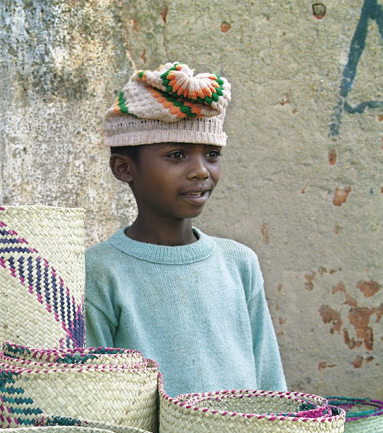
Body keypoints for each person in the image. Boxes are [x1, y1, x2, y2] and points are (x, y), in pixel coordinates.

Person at [85, 61, 286, 396]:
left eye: (212, 155)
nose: (201, 171)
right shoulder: (100, 271)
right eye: (177, 155)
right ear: (124, 168)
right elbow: (96, 394)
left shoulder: (239, 263)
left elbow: (270, 380)